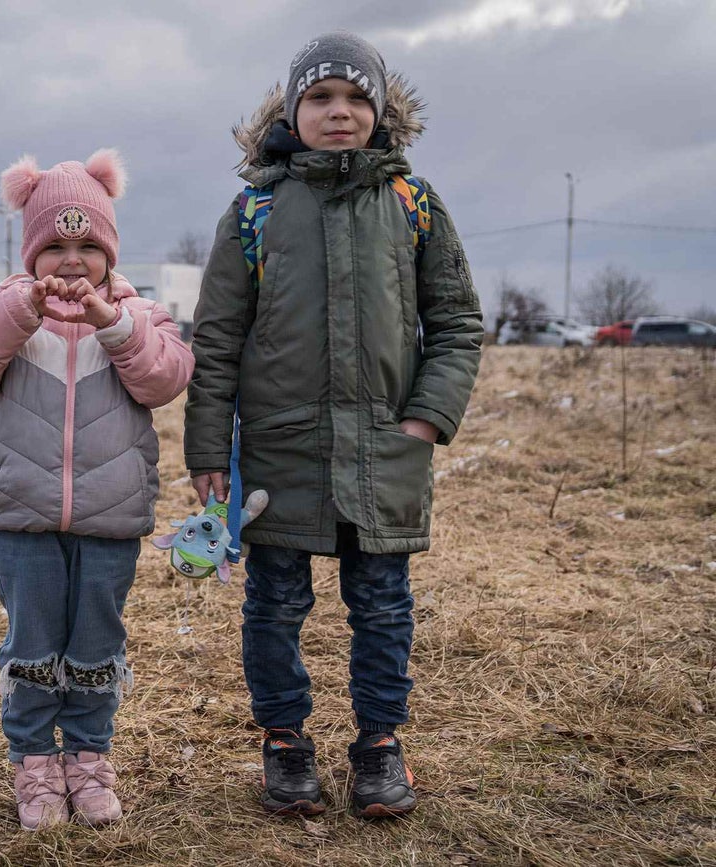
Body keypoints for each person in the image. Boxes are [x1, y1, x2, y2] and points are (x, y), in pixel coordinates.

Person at [185, 31, 483, 819]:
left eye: (356, 97)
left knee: (383, 603)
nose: (339, 112)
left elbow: (456, 322)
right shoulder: (253, 210)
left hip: (387, 450)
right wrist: (208, 447)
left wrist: (425, 420)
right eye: (320, 97)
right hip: (281, 451)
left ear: (380, 111)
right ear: (292, 109)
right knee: (274, 605)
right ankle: (284, 741)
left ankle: (380, 746)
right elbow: (215, 339)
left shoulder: (414, 204)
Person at [0, 149, 193, 830]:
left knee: (95, 645)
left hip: (112, 520)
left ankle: (87, 756)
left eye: (88, 245)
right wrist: (21, 307)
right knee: (32, 642)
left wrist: (113, 323)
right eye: (54, 245)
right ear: (29, 253)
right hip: (22, 518)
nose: (72, 261)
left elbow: (165, 379)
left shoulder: (140, 316)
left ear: (111, 253)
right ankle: (34, 763)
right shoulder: (10, 315)